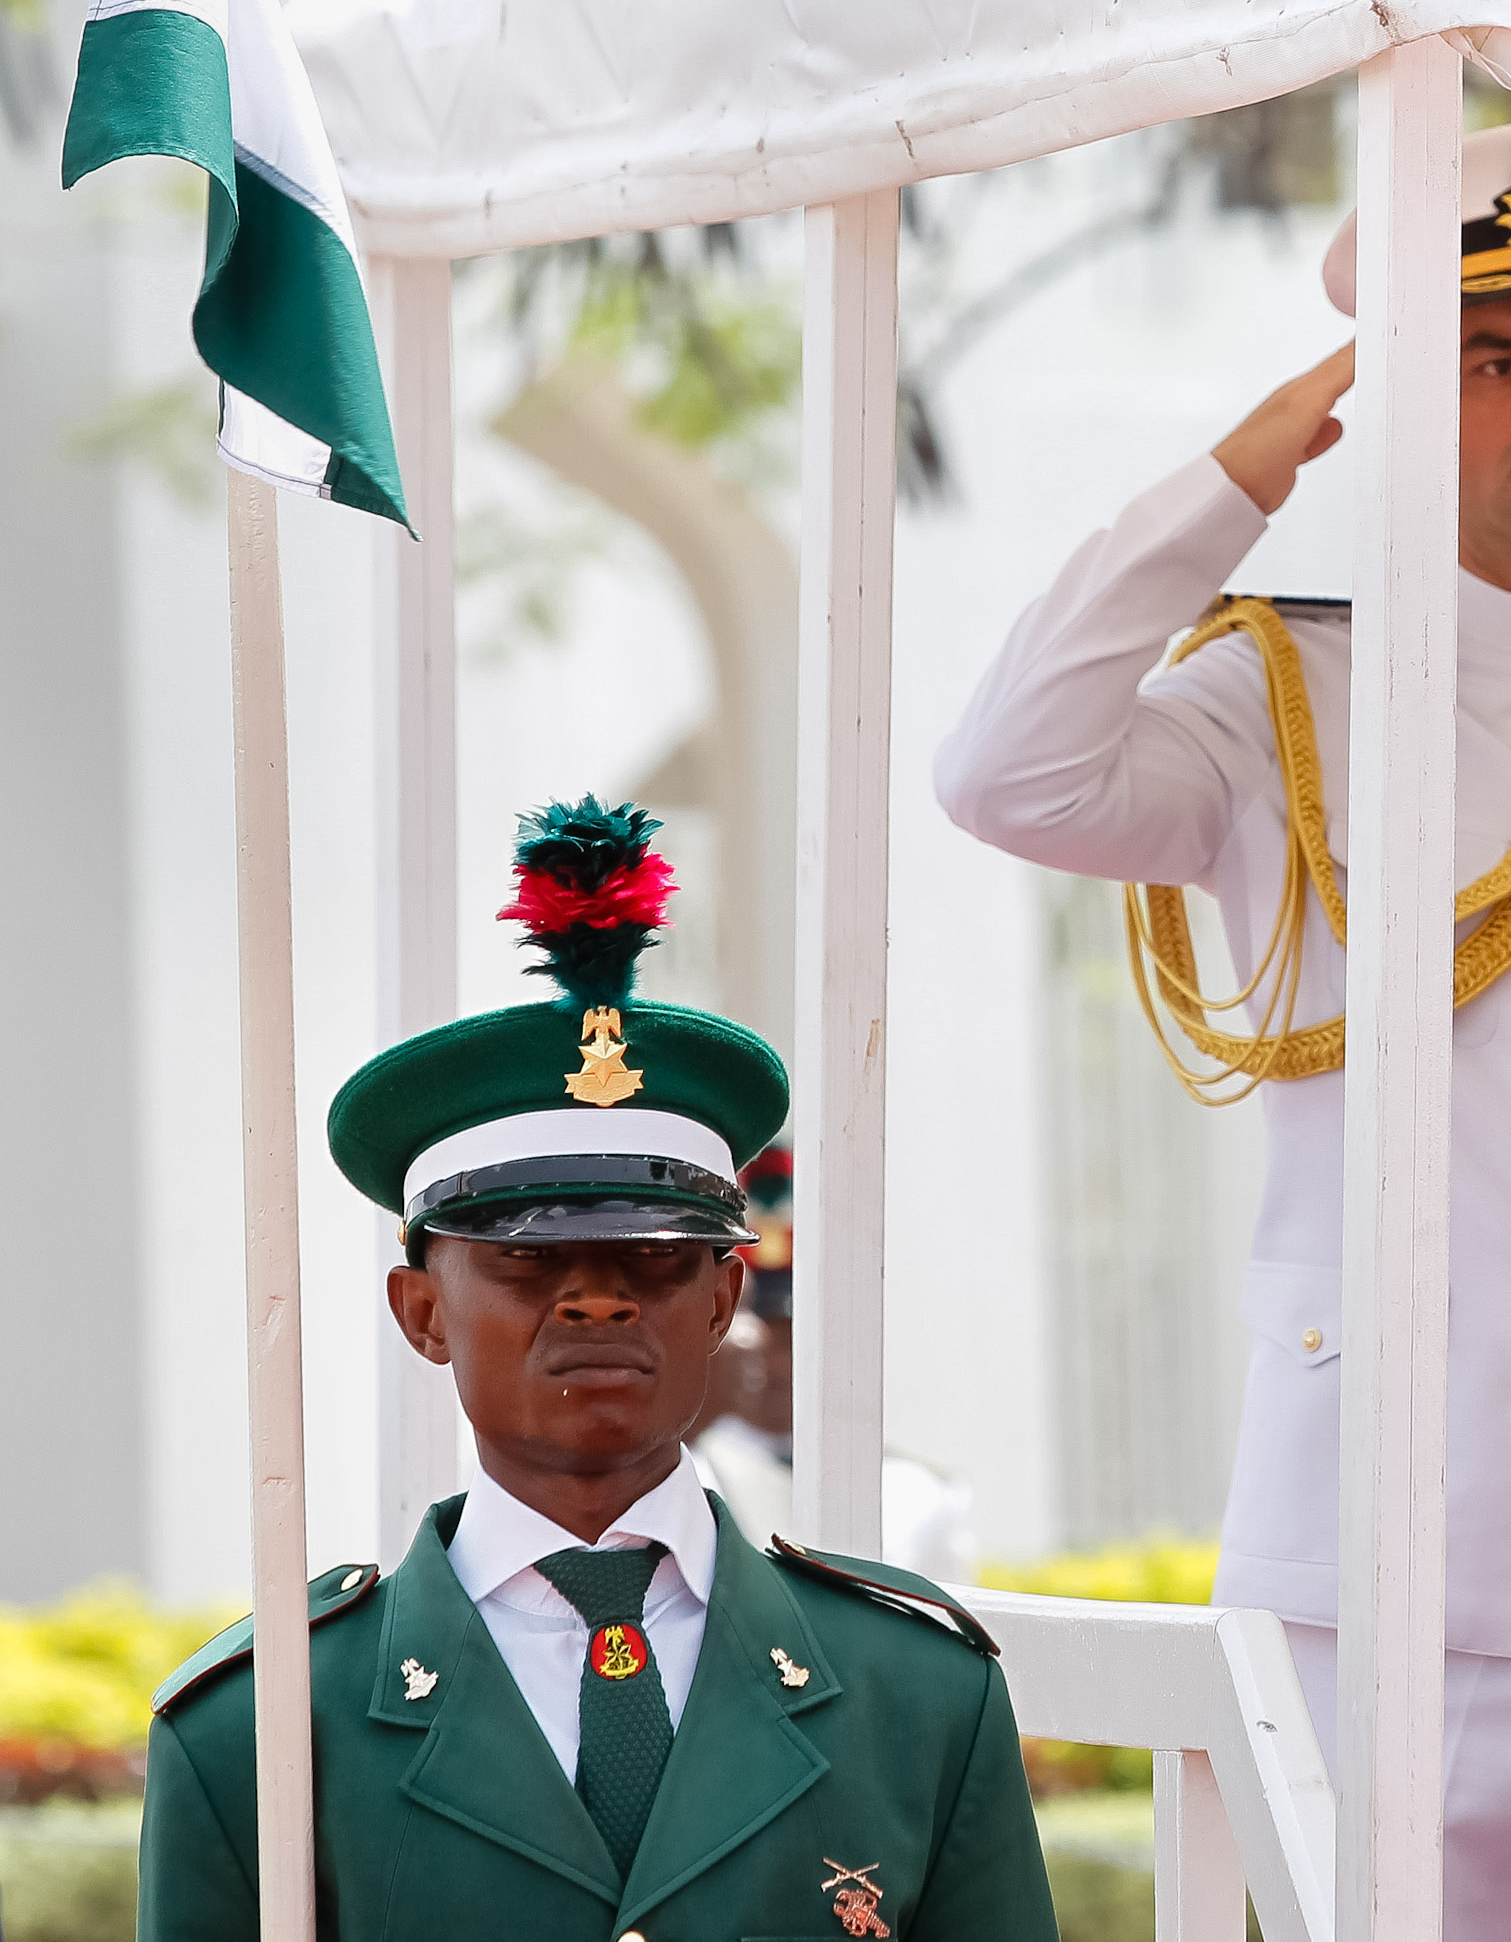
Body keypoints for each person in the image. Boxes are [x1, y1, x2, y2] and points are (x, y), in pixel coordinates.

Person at [936, 122, 1511, 1940]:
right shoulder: (1283, 694)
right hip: (1378, 1538)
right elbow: (1007, 772)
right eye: (1485, 362)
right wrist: (1241, 474)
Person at [140, 799, 1053, 1942]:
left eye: (654, 1260)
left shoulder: (915, 1693)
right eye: (527, 1259)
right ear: (421, 1312)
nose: (598, 1298)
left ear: (723, 1299)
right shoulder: (266, 1727)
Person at [691, 1148, 980, 1581]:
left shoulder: (912, 1495)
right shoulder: (688, 1473)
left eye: (799, 1338)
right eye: (764, 1332)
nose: (779, 1364)